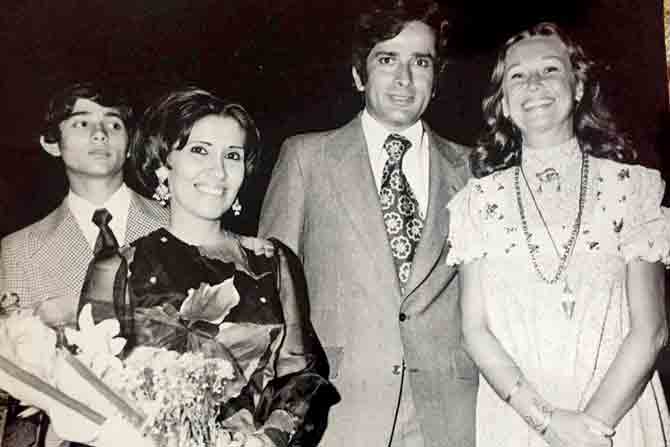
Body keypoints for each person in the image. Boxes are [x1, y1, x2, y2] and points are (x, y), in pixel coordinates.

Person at [58, 87, 336, 447]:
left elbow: (299, 373)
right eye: (199, 151)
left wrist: (266, 440)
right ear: (162, 165)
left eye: (232, 155)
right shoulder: (118, 267)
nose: (217, 171)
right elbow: (94, 386)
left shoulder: (273, 262)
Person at [258, 2, 476, 446]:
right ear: (359, 75)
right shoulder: (306, 159)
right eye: (386, 59)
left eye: (421, 62)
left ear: (436, 80)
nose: (404, 78)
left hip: (446, 414)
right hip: (338, 409)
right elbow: (269, 297)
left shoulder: (472, 171)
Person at [447, 22, 670, 447]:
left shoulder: (632, 189)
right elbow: (474, 330)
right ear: (505, 104)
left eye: (550, 69)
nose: (534, 83)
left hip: (617, 419)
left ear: (578, 86)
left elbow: (651, 329)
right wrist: (548, 423)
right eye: (517, 75)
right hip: (521, 422)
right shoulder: (476, 202)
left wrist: (588, 429)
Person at [0, 82, 170, 447]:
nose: (100, 134)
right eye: (81, 123)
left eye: (114, 124)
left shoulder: (176, 226)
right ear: (51, 143)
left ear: (129, 146)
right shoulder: (18, 250)